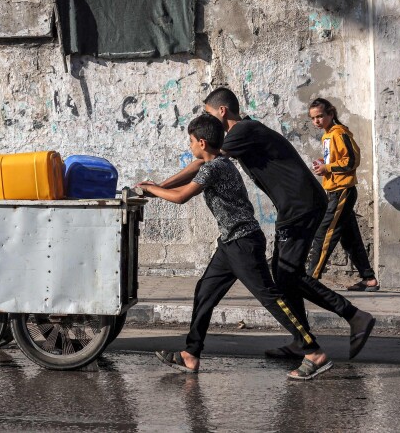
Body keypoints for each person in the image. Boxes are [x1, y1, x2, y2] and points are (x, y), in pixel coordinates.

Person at [156, 88, 375, 372]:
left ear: (222, 111)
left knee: (284, 278)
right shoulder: (245, 132)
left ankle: (350, 318)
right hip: (293, 207)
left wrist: (158, 187)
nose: (206, 121)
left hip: (301, 206)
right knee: (283, 276)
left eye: (208, 114)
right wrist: (160, 188)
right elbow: (204, 163)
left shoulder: (241, 131)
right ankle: (301, 341)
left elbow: (202, 161)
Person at [140, 114, 333, 380]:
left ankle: (314, 352)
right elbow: (189, 179)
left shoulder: (215, 167)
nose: (190, 146)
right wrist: (158, 186)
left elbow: (182, 196)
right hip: (230, 242)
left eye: (191, 141)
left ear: (202, 143)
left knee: (270, 298)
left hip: (243, 243)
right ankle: (190, 355)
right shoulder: (218, 163)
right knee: (205, 290)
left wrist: (152, 190)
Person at [307, 98, 379, 291]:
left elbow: (352, 161)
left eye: (320, 116)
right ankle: (368, 278)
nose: (317, 121)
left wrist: (327, 167)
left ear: (331, 113)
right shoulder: (328, 135)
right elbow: (339, 159)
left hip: (342, 191)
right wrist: (324, 162)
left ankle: (310, 278)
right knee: (350, 238)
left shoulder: (339, 133)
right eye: (314, 118)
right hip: (335, 190)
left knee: (325, 233)